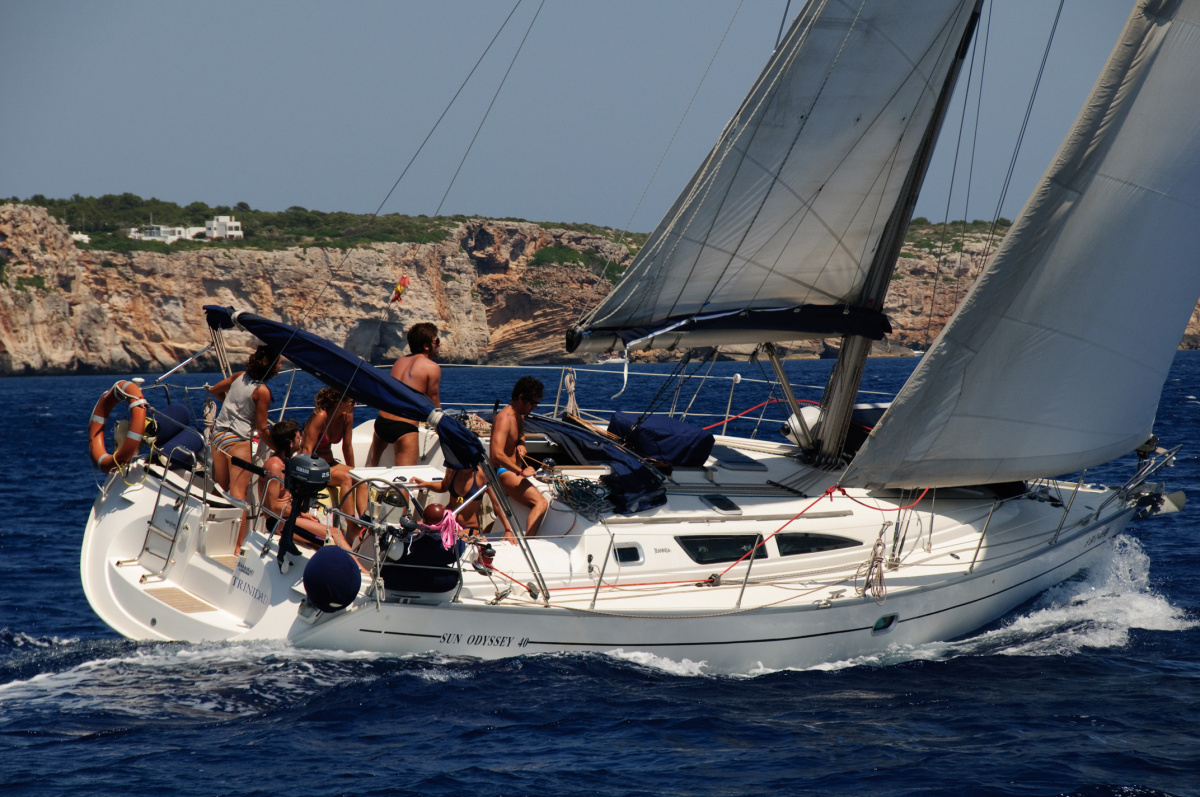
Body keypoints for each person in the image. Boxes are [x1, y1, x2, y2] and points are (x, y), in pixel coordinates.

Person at [208, 344, 282, 551]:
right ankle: (238, 547)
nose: (280, 366)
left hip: (218, 436)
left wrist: (231, 408)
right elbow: (262, 428)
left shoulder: (239, 376)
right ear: (270, 366)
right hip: (237, 441)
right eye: (278, 363)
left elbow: (215, 390)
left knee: (220, 488)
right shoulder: (262, 391)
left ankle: (205, 527)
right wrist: (279, 450)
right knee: (239, 496)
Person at [261, 419, 358, 561]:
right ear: (290, 443)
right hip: (279, 521)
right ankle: (360, 570)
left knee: (324, 542)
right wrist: (303, 514)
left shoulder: (287, 462)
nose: (301, 438)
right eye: (297, 437)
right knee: (333, 534)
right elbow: (274, 507)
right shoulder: (274, 466)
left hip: (290, 516)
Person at [366, 322, 442, 467]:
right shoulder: (432, 367)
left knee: (370, 468)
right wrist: (442, 429)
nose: (440, 344)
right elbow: (434, 404)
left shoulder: (399, 362)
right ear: (426, 346)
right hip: (404, 426)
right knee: (404, 477)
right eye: (437, 341)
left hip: (382, 422)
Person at [300, 387, 367, 528]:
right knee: (345, 478)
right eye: (352, 401)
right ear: (339, 403)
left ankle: (365, 521)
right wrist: (307, 478)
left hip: (330, 463)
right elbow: (306, 449)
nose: (355, 405)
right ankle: (351, 526)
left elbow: (347, 447)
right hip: (315, 465)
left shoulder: (347, 416)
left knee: (362, 477)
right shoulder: (321, 416)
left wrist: (353, 470)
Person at [490, 376, 548, 537]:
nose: (534, 407)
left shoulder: (519, 415)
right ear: (521, 398)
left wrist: (521, 443)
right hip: (503, 472)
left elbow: (520, 433)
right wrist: (521, 472)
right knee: (541, 503)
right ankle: (529, 543)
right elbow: (496, 455)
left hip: (514, 471)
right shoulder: (504, 419)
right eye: (533, 403)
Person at [410, 464, 516, 544]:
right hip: (444, 522)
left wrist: (508, 529)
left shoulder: (482, 474)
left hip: (468, 527)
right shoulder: (452, 469)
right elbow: (443, 486)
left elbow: (497, 504)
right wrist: (425, 484)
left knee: (452, 543)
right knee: (410, 530)